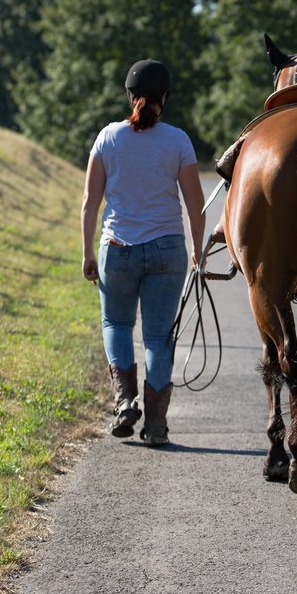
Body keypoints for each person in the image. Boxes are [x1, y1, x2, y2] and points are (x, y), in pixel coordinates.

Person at [81, 59, 205, 445]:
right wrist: (199, 254)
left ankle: (124, 403)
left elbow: (90, 202)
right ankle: (155, 426)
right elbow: (196, 205)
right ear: (163, 98)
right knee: (157, 339)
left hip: (117, 249)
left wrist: (87, 252)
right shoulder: (178, 141)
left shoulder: (108, 138)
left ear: (130, 95)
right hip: (167, 250)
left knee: (116, 325)